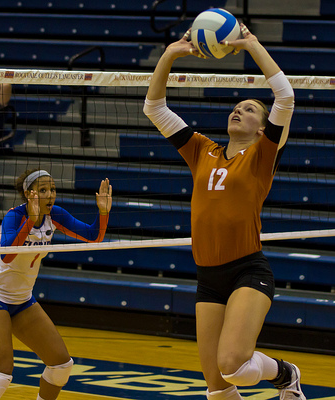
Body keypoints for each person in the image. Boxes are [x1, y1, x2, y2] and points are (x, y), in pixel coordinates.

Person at [143, 25, 302, 400]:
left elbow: (285, 96)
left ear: (262, 128)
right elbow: (154, 107)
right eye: (236, 106)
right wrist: (170, 54)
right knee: (217, 387)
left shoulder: (263, 155)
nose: (238, 110)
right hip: (207, 276)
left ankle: (285, 374)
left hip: (247, 269)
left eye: (249, 110)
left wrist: (252, 45)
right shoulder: (201, 149)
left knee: (233, 364)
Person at [0, 169, 112, 400]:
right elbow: (7, 255)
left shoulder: (55, 215)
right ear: (29, 194)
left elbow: (93, 237)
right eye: (43, 190)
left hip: (23, 300)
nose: (50, 195)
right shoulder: (13, 217)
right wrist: (30, 221)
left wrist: (103, 212)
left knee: (62, 366)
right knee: (0, 375)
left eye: (53, 189)